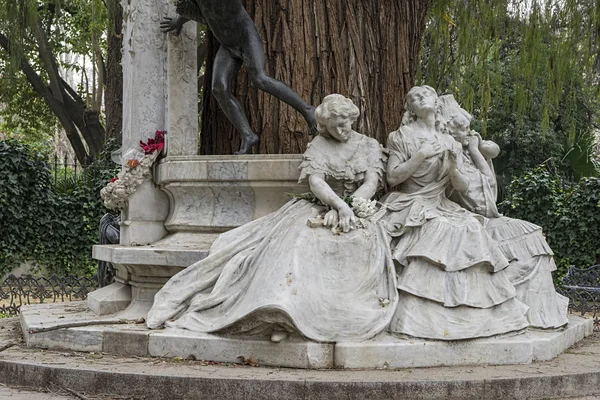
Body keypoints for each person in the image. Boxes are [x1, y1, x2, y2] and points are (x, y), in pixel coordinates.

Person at [147, 94, 397, 343]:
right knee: (297, 242)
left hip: (358, 209)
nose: (341, 130)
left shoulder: (368, 145)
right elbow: (316, 181)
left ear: (352, 118)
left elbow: (371, 182)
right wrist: (337, 204)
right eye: (334, 127)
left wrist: (348, 208)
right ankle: (282, 314)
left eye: (344, 124)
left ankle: (334, 318)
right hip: (320, 206)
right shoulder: (320, 145)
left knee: (357, 243)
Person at [375, 85, 529, 340]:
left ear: (436, 104)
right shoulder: (401, 136)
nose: (420, 98)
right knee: (438, 228)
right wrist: (422, 154)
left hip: (440, 202)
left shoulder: (449, 141)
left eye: (425, 95)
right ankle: (420, 314)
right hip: (411, 201)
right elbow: (393, 177)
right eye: (414, 97)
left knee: (470, 226)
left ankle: (473, 312)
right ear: (410, 109)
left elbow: (463, 186)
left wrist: (455, 168)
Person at [442, 98, 568, 328]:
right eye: (462, 129)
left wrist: (477, 151)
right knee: (526, 243)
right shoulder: (452, 156)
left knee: (533, 239)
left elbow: (490, 193)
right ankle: (495, 294)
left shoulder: (469, 152)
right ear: (448, 130)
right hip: (469, 216)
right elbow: (479, 197)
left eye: (468, 127)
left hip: (486, 217)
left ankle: (533, 310)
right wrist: (475, 152)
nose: (469, 133)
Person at [161, 0, 317, 154]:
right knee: (219, 88)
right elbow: (198, 11)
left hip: (246, 35)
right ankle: (248, 135)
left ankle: (308, 110)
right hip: (227, 45)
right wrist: (178, 22)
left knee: (260, 78)